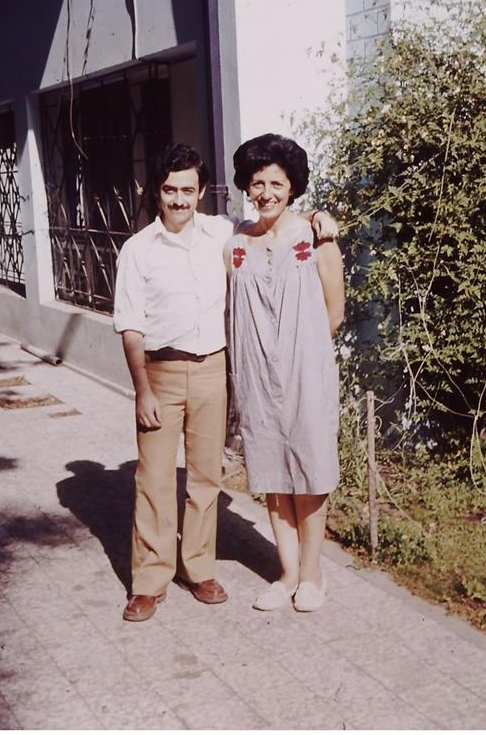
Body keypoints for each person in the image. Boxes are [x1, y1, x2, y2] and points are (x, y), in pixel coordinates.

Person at [113, 142, 338, 622]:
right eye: (170, 190)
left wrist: (319, 215)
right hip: (162, 371)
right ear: (157, 192)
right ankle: (149, 582)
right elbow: (130, 326)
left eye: (187, 190)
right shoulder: (140, 249)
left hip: (215, 369)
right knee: (154, 479)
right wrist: (142, 389)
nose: (179, 199)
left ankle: (199, 570)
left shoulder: (221, 231)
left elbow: (277, 222)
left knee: (205, 478)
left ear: (200, 193)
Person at [225, 133, 344, 613]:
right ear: (246, 187)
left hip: (305, 375)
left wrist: (300, 354)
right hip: (256, 377)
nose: (266, 193)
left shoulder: (317, 238)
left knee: (310, 473)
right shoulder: (236, 243)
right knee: (274, 474)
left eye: (276, 183)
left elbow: (334, 313)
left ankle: (313, 575)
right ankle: (287, 572)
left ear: (292, 186)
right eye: (257, 183)